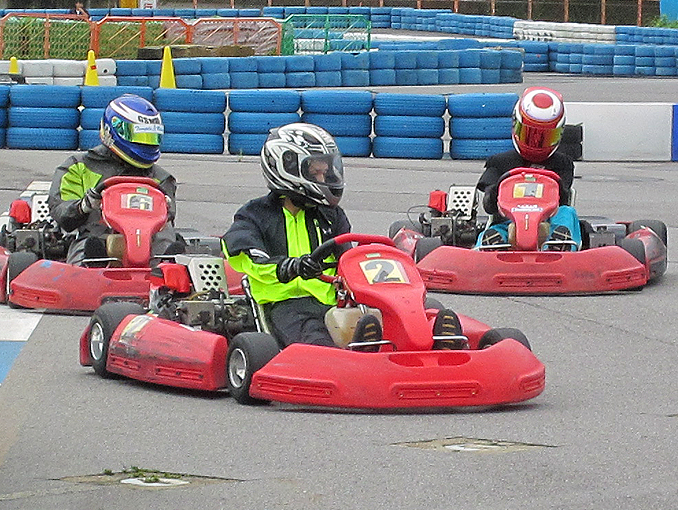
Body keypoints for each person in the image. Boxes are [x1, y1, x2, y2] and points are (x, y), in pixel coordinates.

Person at [222, 123, 464, 351]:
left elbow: (349, 258)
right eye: (316, 172)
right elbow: (249, 260)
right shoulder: (254, 216)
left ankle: (431, 338)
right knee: (316, 337)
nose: (325, 179)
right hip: (286, 305)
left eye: (327, 171)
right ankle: (355, 358)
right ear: (288, 168)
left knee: (389, 314)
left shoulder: (330, 215)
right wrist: (291, 266)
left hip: (334, 302)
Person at [48, 94, 185, 265]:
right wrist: (84, 206)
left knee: (165, 237)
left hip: (147, 240)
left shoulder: (162, 178)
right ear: (113, 130)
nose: (146, 144)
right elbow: (62, 214)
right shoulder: (78, 167)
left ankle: (167, 270)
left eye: (150, 138)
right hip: (95, 235)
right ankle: (90, 272)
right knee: (90, 242)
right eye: (140, 137)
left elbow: (166, 221)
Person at [475, 86, 581, 251]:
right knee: (494, 229)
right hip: (509, 223)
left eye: (545, 138)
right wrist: (496, 192)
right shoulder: (500, 162)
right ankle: (491, 247)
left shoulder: (562, 164)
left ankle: (559, 245)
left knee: (566, 212)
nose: (536, 145)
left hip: (548, 223)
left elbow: (564, 199)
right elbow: (489, 206)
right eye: (530, 135)